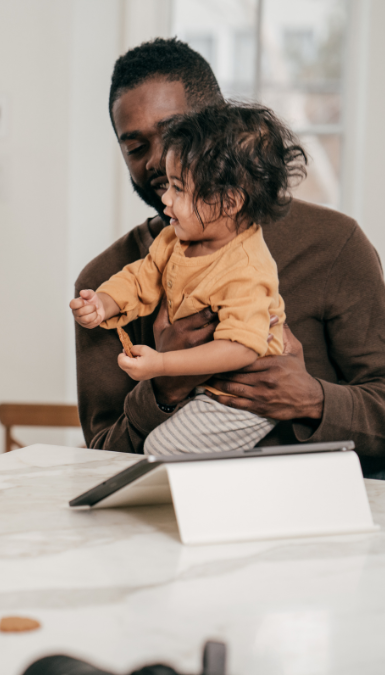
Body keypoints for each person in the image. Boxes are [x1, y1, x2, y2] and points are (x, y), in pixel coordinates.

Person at [75, 38, 385, 477]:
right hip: (164, 525)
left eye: (174, 133)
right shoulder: (104, 282)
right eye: (136, 147)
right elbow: (98, 461)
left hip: (312, 521)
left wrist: (313, 400)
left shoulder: (334, 244)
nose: (161, 160)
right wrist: (163, 387)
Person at [73, 103, 305, 454]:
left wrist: (162, 364)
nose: (165, 198)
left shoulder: (247, 269)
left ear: (228, 202)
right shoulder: (175, 240)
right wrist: (104, 303)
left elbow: (240, 348)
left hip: (245, 399)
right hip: (206, 390)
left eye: (179, 188)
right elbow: (140, 278)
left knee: (162, 447)